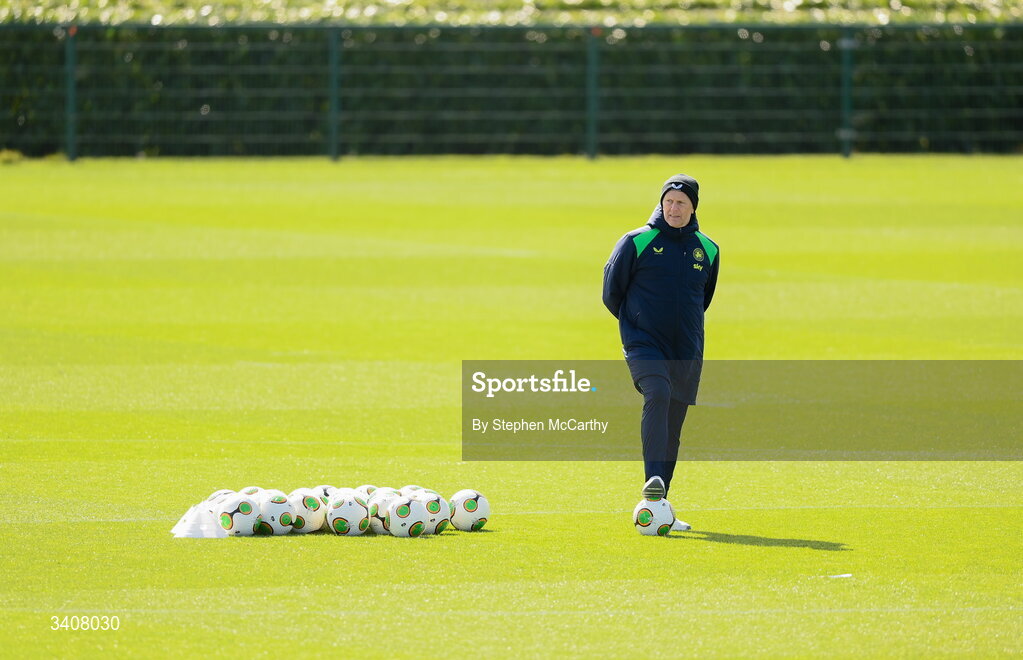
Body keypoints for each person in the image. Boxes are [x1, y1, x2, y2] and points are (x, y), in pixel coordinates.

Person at [602, 174, 719, 532]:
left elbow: (704, 299)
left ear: (693, 207)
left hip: (686, 349)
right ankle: (653, 483)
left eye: (681, 203)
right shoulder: (637, 241)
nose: (674, 208)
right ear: (661, 203)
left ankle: (659, 505)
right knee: (658, 392)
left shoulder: (708, 249)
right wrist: (636, 325)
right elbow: (611, 293)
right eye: (668, 201)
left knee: (673, 423)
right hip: (643, 343)